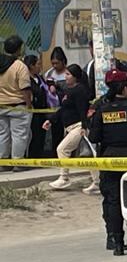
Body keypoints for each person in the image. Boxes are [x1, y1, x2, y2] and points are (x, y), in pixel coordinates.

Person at [88, 68, 127, 256]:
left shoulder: (101, 110)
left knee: (113, 200)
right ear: (124, 87)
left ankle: (117, 242)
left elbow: (94, 136)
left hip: (109, 159)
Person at [48, 64, 95, 192]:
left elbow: (82, 110)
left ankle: (64, 178)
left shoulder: (79, 90)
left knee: (62, 149)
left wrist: (84, 127)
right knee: (88, 156)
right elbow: (63, 109)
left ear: (75, 77)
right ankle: (97, 181)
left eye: (68, 74)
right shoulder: (69, 91)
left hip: (79, 126)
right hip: (70, 127)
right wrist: (51, 120)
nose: (65, 76)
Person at [0, 34, 31, 169]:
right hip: (18, 106)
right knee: (19, 135)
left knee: (2, 134)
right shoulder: (20, 66)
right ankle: (18, 162)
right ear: (18, 49)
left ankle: (3, 161)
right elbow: (25, 88)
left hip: (1, 106)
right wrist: (29, 105)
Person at [24, 55, 55, 158]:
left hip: (43, 111)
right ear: (31, 66)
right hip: (33, 112)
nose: (40, 67)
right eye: (38, 64)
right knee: (34, 135)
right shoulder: (26, 79)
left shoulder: (39, 78)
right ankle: (33, 155)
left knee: (42, 134)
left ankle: (40, 154)